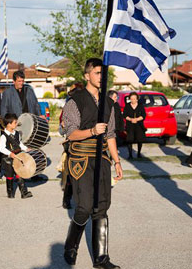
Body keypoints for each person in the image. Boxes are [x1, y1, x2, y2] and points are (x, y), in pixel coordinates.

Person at [62, 58, 123, 269]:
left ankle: (101, 259)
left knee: (101, 208)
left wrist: (117, 161)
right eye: (97, 73)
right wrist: (91, 131)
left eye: (103, 74)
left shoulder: (109, 102)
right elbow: (70, 133)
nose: (101, 77)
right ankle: (71, 246)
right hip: (80, 159)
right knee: (84, 207)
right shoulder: (74, 101)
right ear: (87, 75)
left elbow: (111, 134)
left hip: (103, 160)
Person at [0, 113, 33, 199]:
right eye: (15, 122)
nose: (16, 124)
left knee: (20, 173)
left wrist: (25, 149)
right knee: (9, 176)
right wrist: (10, 153)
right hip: (8, 159)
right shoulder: (3, 136)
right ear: (9, 124)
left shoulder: (17, 133)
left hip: (18, 156)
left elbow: (19, 143)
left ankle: (23, 193)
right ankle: (10, 193)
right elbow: (1, 148)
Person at [123, 92, 146, 159]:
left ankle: (139, 153)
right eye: (131, 99)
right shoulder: (127, 105)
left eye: (134, 99)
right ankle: (130, 155)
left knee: (139, 139)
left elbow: (143, 115)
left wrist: (137, 119)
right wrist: (130, 119)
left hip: (139, 125)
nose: (133, 100)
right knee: (130, 139)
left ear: (137, 99)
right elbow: (124, 115)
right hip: (130, 125)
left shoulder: (140, 105)